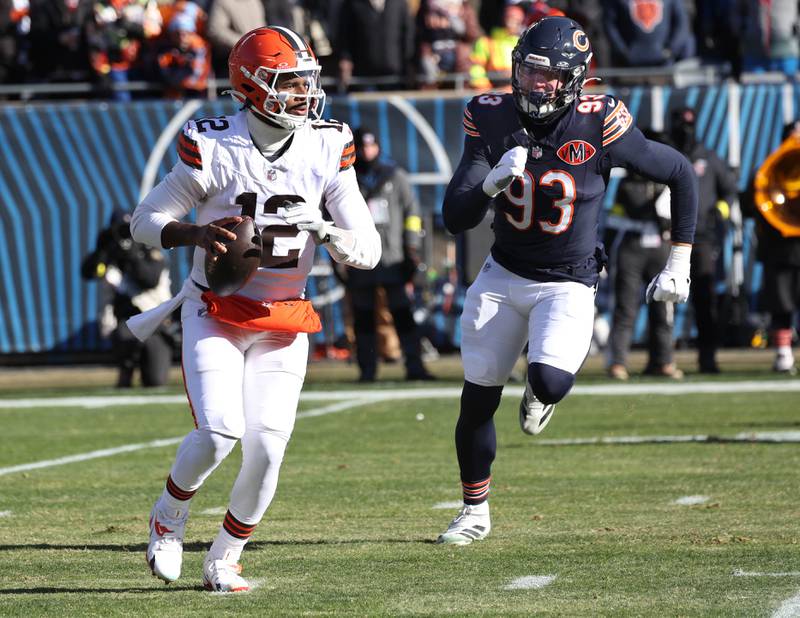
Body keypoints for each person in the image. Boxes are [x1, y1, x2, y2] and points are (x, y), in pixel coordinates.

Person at [128, 26, 380, 591]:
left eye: (304, 82)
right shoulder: (213, 142)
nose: (301, 94)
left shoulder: (327, 143)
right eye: (287, 82)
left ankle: (225, 556)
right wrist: (192, 233)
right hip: (215, 308)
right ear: (250, 86)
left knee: (266, 447)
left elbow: (369, 250)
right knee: (219, 432)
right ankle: (168, 519)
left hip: (283, 317)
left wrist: (330, 232)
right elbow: (142, 221)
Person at [436, 16, 698, 545]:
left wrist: (679, 262)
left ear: (575, 79)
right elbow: (455, 217)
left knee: (551, 380)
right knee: (477, 397)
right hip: (503, 273)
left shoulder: (599, 120)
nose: (537, 84)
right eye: (530, 72)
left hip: (570, 279)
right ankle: (473, 511)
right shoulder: (488, 115)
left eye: (551, 75)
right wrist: (488, 183)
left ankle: (539, 393)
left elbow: (679, 172)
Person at [345, 127, 434, 382]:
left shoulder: (395, 176)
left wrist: (411, 249)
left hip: (393, 257)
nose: (367, 152)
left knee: (402, 314)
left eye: (371, 146)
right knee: (363, 317)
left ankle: (415, 366)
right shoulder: (348, 177)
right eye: (362, 147)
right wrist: (340, 259)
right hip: (360, 259)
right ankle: (367, 370)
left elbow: (412, 214)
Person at [606, 131, 683, 380]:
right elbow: (616, 220)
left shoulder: (666, 183)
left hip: (660, 248)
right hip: (633, 246)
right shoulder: (629, 185)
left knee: (663, 307)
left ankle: (663, 361)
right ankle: (617, 362)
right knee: (626, 307)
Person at [668, 107, 738, 373]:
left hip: (701, 240)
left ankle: (707, 357)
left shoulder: (708, 158)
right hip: (669, 238)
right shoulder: (666, 155)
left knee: (704, 300)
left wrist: (719, 212)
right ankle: (663, 359)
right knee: (664, 301)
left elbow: (729, 190)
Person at [81, 209, 173, 388]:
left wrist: (132, 254)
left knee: (155, 381)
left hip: (155, 322)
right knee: (124, 333)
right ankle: (126, 367)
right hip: (126, 321)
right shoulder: (111, 252)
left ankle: (145, 366)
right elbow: (88, 272)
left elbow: (149, 280)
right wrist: (103, 249)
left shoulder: (147, 247)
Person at [744, 121, 800, 374]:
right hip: (780, 249)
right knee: (781, 304)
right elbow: (749, 205)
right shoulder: (766, 171)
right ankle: (783, 354)